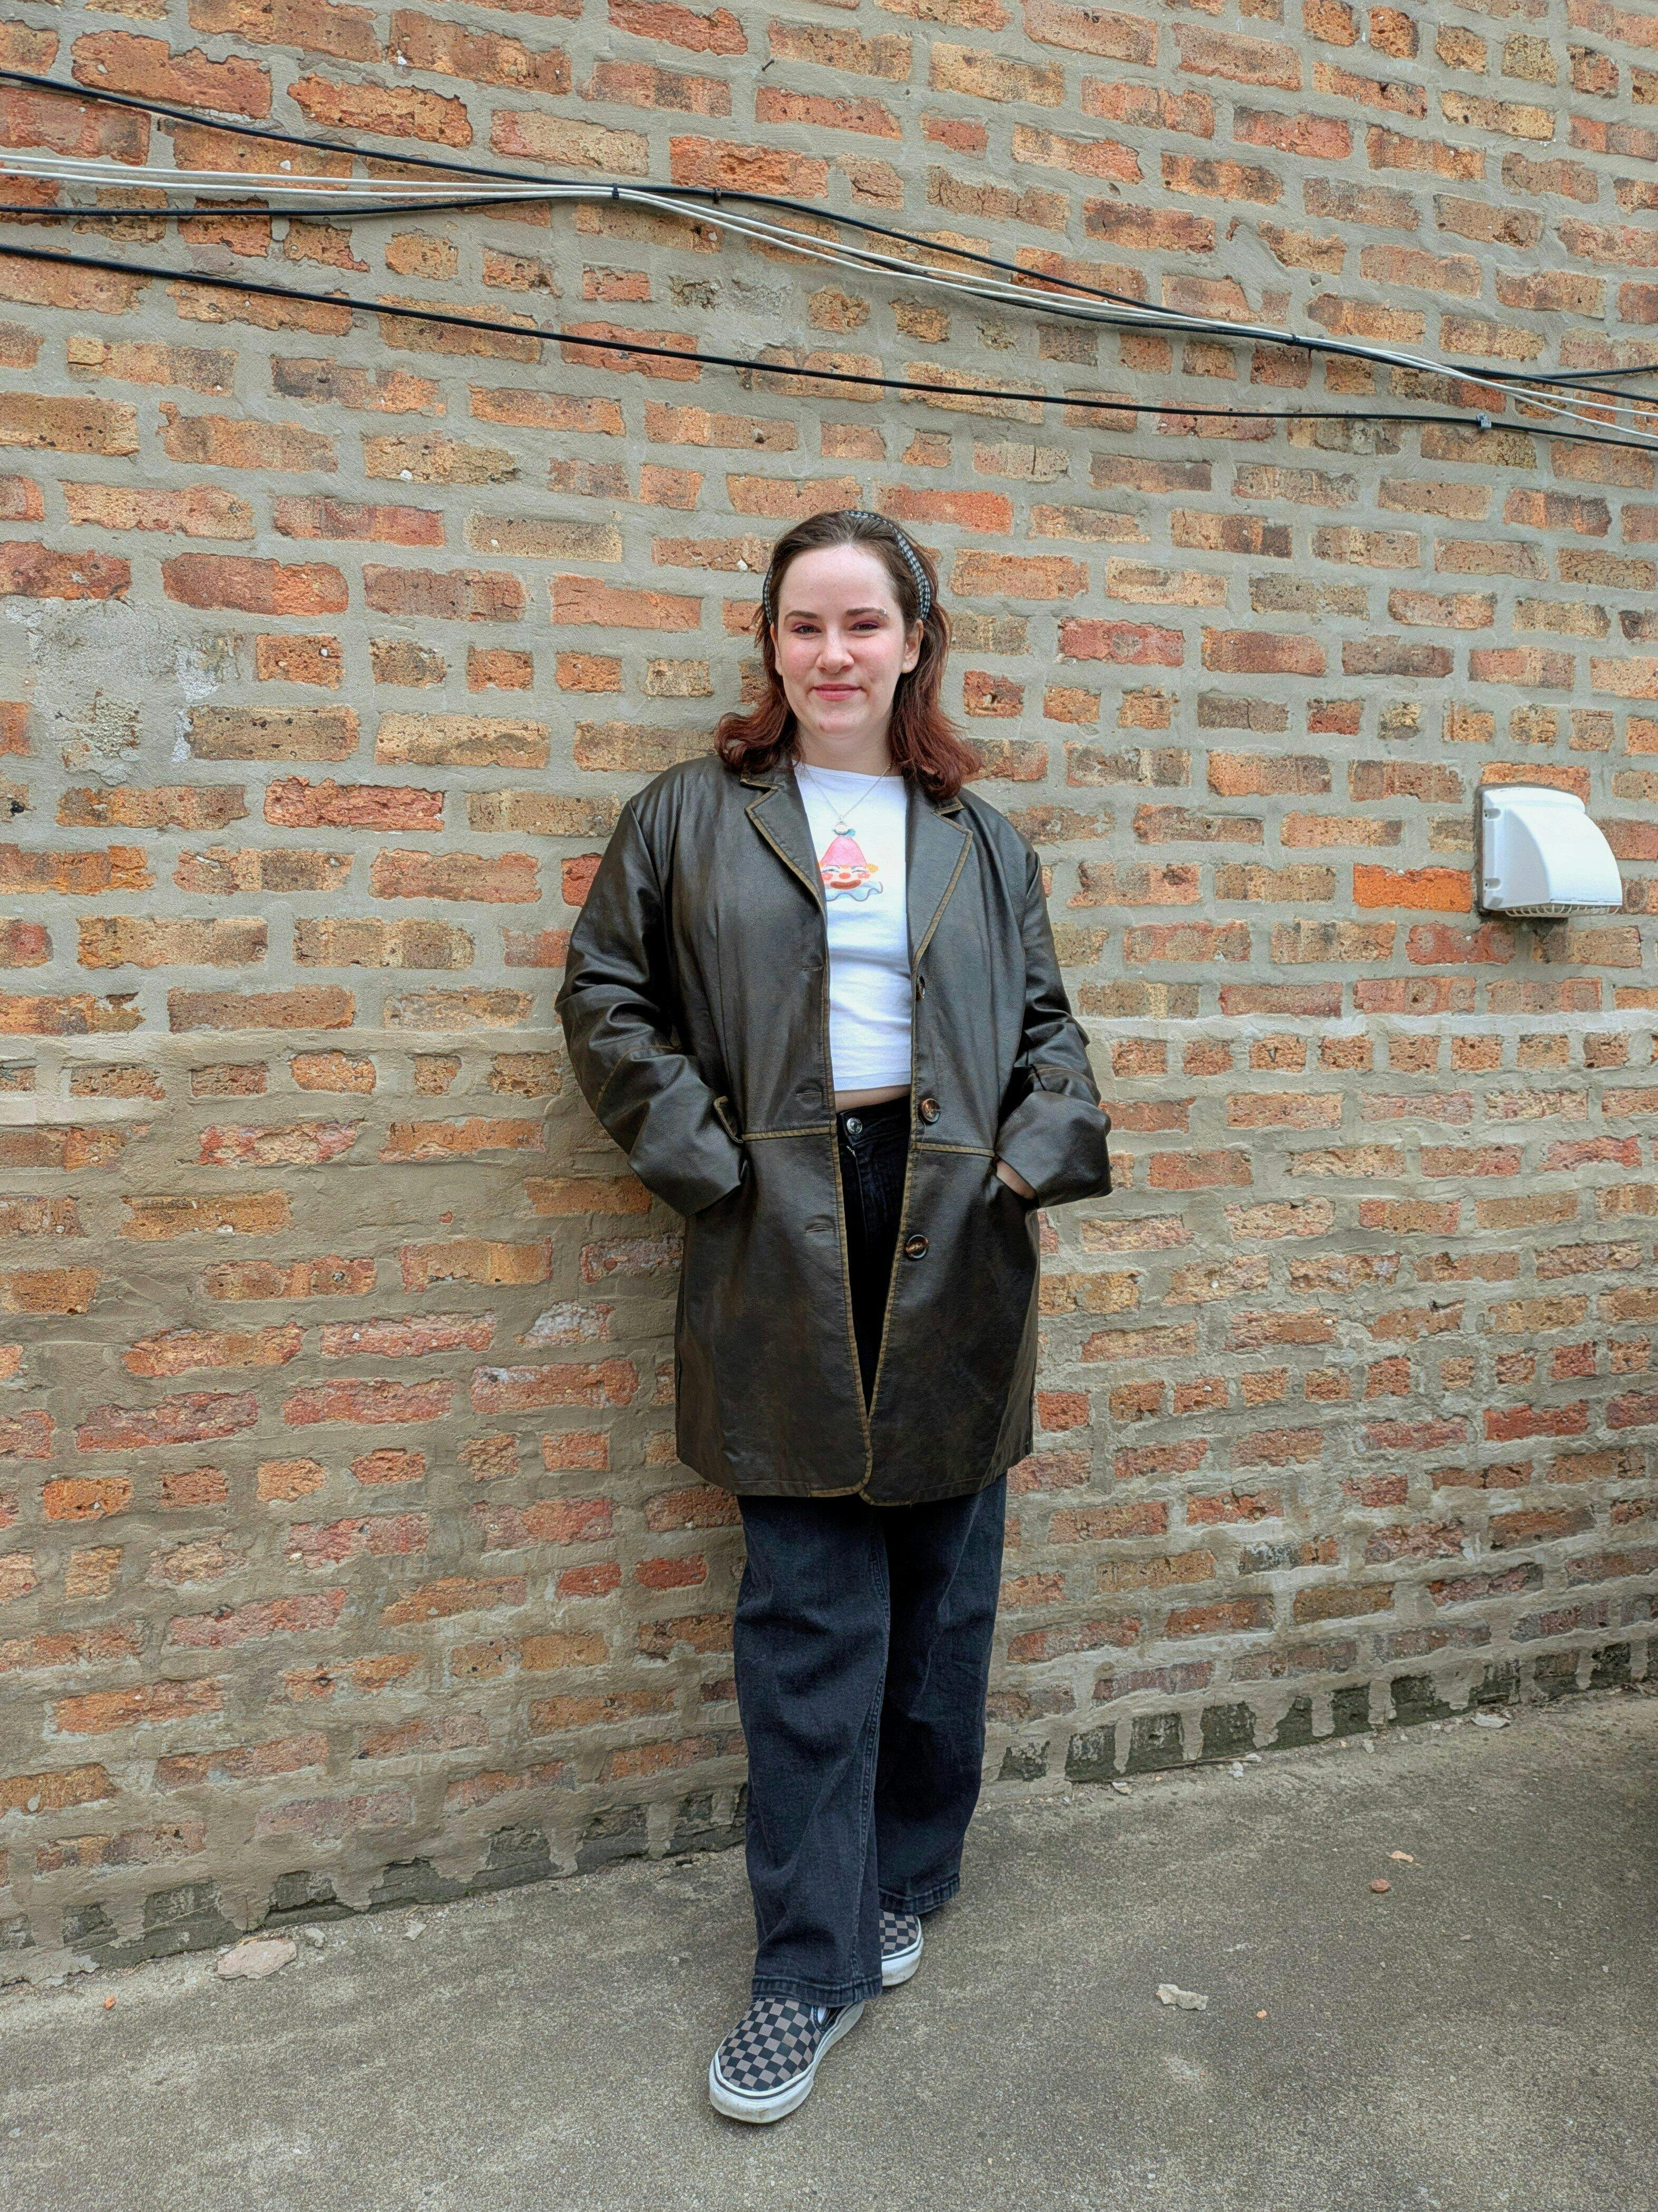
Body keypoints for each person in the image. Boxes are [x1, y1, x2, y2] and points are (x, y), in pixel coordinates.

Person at [554, 508, 1113, 2123]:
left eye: (862, 622)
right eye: (803, 624)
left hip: (957, 1228)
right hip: (776, 1225)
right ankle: (807, 1968)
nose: (832, 653)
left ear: (914, 641)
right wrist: (710, 1165)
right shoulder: (689, 817)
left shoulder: (979, 839)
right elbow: (605, 996)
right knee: (809, 1613)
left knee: (940, 1597)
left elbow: (1047, 1030)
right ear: (770, 644)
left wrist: (1025, 1162)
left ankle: (906, 1876)